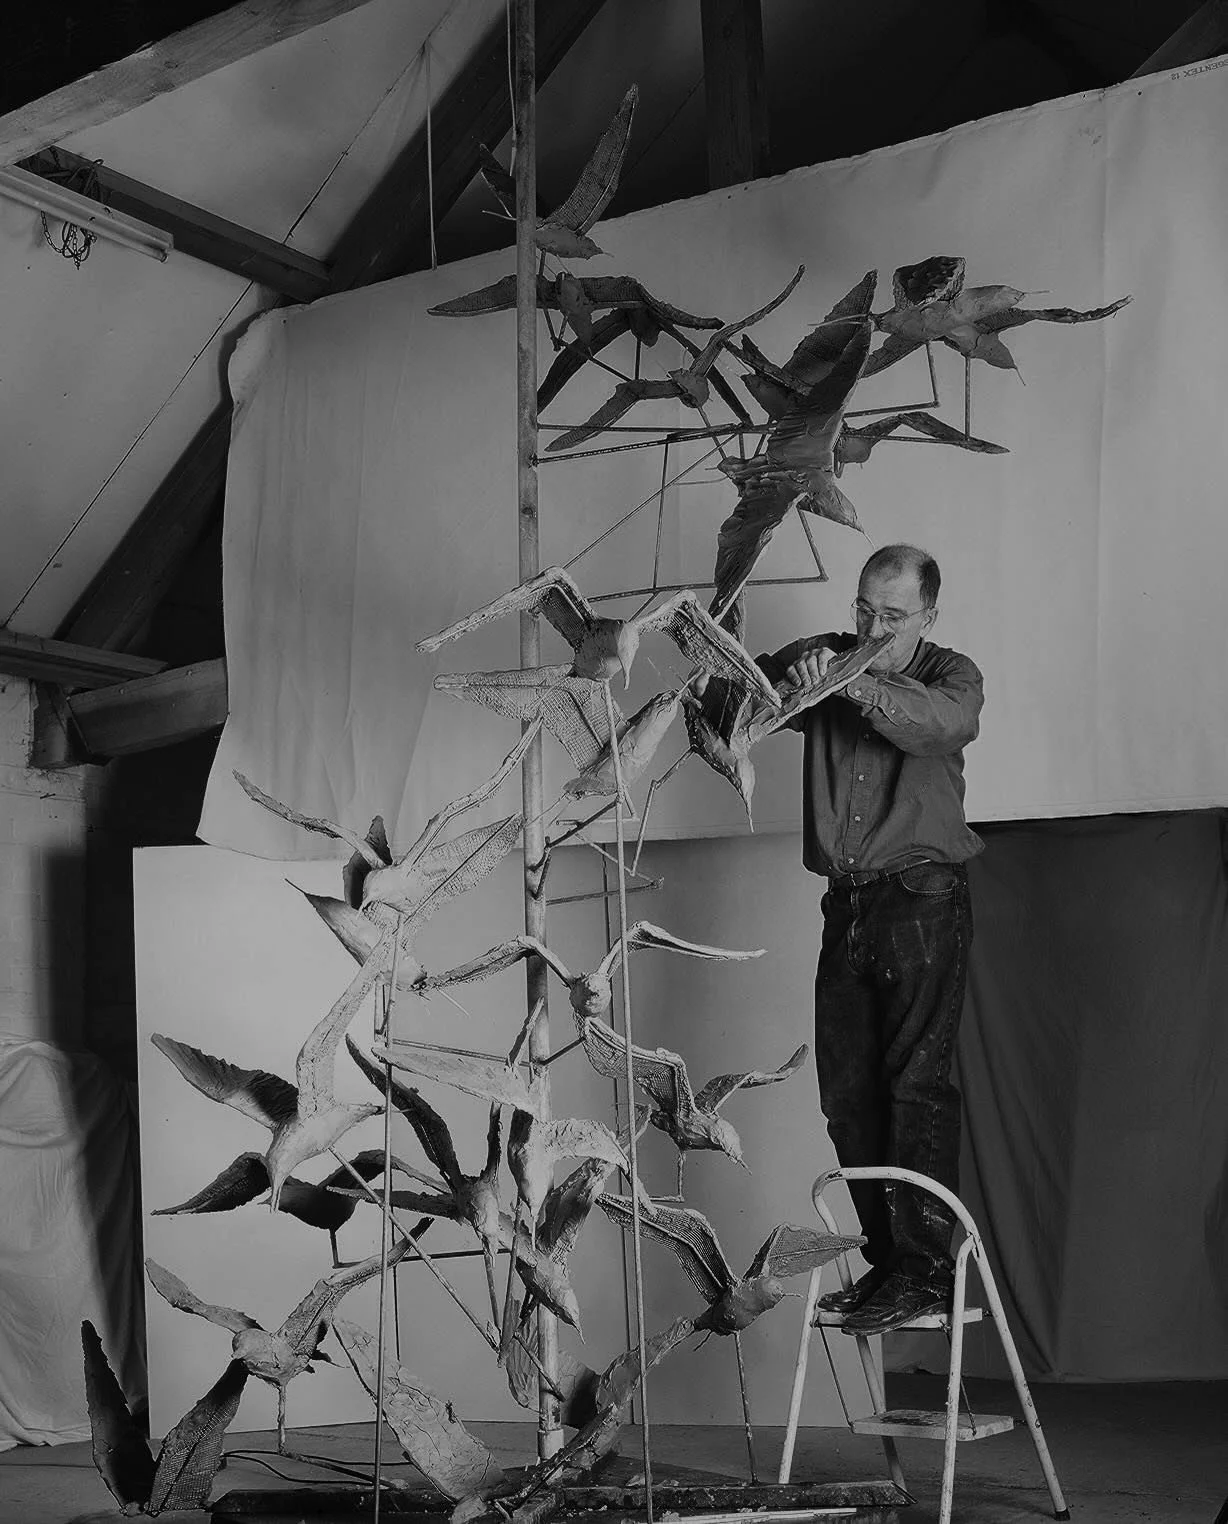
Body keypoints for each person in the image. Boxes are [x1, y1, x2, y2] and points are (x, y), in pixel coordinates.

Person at [756, 543, 983, 1335]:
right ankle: (888, 1265)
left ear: (927, 616)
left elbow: (934, 725)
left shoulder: (953, 675)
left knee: (916, 1086)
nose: (874, 626)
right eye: (864, 610)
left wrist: (853, 680)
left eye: (892, 616)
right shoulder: (829, 660)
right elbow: (739, 691)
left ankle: (924, 1274)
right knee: (846, 1094)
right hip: (845, 904)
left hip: (921, 898)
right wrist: (780, 677)